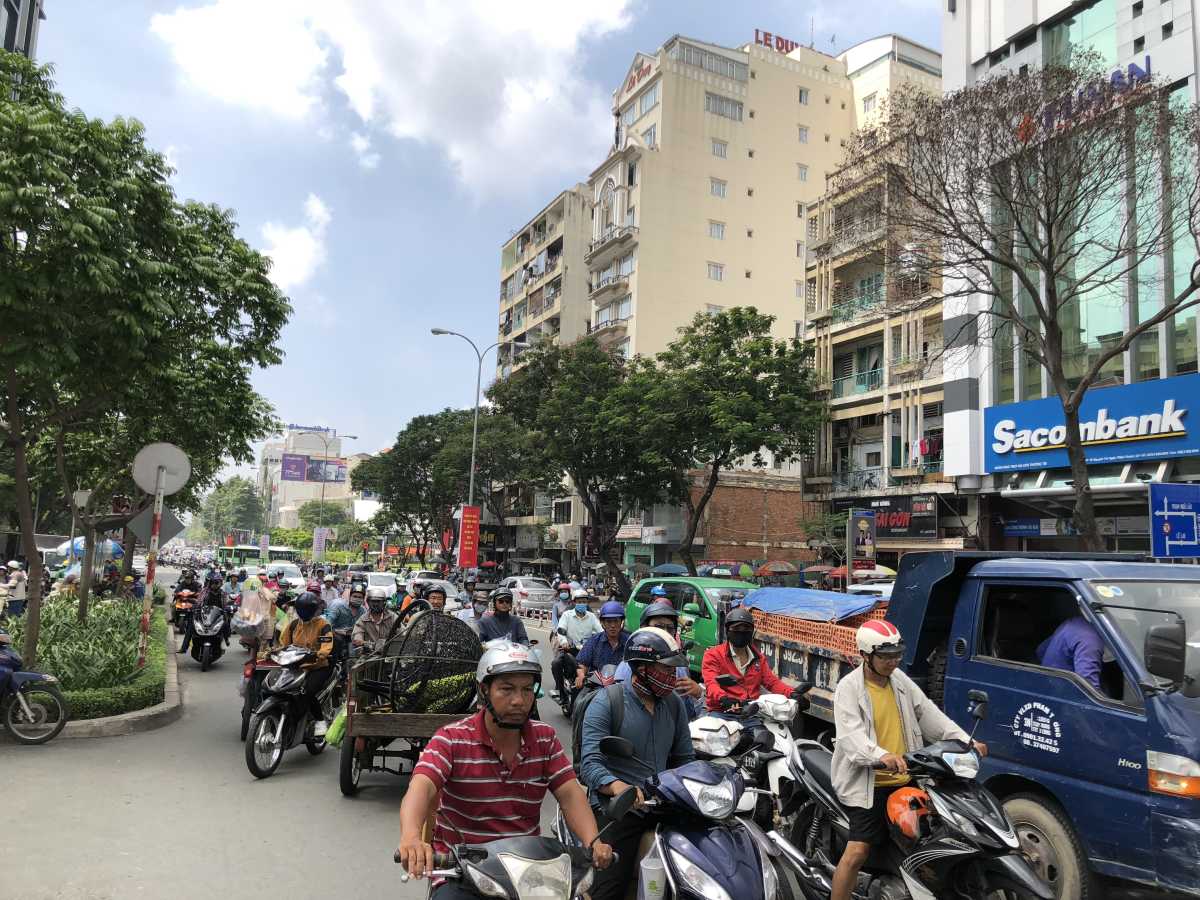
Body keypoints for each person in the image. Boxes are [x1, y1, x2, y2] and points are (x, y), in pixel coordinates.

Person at [397, 641, 613, 891]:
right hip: (462, 868)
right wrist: (411, 837)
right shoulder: (451, 739)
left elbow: (570, 794)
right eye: (507, 690)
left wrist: (592, 841)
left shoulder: (545, 738)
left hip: (527, 869)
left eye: (526, 689)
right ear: (484, 690)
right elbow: (421, 788)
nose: (519, 701)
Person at [830, 620, 986, 900]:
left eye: (897, 655)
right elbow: (852, 739)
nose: (894, 662)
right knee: (857, 852)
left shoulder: (899, 681)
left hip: (906, 778)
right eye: (886, 657)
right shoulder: (848, 688)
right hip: (868, 785)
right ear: (866, 656)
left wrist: (966, 741)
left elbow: (929, 714)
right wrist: (882, 756)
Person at [579, 627, 694, 900]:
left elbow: (686, 758)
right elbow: (591, 764)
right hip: (619, 809)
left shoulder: (674, 704)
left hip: (665, 803)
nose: (672, 676)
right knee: (607, 890)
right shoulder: (607, 701)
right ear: (640, 668)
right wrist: (620, 788)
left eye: (673, 670)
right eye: (665, 670)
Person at [702, 606, 799, 712]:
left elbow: (772, 682)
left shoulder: (758, 658)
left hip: (751, 712)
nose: (741, 633)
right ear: (728, 631)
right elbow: (711, 683)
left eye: (746, 630)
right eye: (736, 629)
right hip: (722, 712)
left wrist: (792, 694)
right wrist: (723, 698)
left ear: (751, 632)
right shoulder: (713, 655)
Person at [615, 602, 704, 717]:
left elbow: (687, 710)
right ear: (644, 628)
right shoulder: (629, 666)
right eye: (659, 627)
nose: (665, 632)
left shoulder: (680, 666)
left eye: (670, 628)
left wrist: (699, 694)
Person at [276, 590, 335, 735]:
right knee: (278, 687)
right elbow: (284, 644)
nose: (303, 612)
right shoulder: (294, 624)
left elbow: (326, 647)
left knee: (307, 692)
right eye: (300, 608)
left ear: (314, 610)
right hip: (295, 665)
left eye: (306, 609)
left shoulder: (323, 625)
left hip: (318, 666)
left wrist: (318, 655)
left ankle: (320, 721)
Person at [551, 594, 604, 699]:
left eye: (584, 602)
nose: (582, 604)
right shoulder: (567, 615)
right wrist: (564, 642)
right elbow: (561, 631)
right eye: (579, 602)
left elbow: (601, 631)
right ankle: (561, 693)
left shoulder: (592, 617)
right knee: (556, 663)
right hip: (570, 650)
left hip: (587, 652)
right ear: (574, 602)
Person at [1036, 614, 1104, 691]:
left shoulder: (1075, 621)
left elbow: (1041, 650)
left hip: (1047, 675)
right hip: (1063, 687)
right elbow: (1087, 688)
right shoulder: (1090, 642)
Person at [574, 601, 630, 693]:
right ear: (602, 623)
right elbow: (582, 663)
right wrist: (581, 675)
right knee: (579, 701)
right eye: (608, 621)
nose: (612, 625)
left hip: (623, 690)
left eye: (616, 621)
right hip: (596, 689)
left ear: (621, 622)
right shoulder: (594, 641)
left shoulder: (630, 642)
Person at [325, 584, 364, 662]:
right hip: (335, 636)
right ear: (350, 597)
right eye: (355, 596)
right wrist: (337, 632)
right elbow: (327, 624)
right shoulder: (338, 606)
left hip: (351, 639)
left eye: (360, 597)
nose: (357, 599)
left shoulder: (363, 611)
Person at [353, 587, 398, 653]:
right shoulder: (363, 620)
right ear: (368, 602)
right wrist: (367, 644)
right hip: (369, 655)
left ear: (384, 602)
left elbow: (403, 634)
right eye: (373, 601)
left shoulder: (392, 617)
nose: (376, 604)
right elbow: (357, 638)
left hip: (391, 654)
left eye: (378, 601)